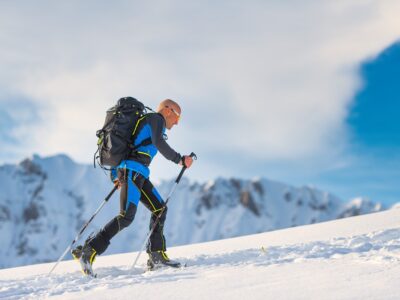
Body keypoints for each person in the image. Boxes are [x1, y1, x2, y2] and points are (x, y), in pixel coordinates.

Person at [72, 99, 194, 275]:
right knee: (126, 216)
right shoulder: (156, 119)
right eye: (177, 117)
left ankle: (156, 256)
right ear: (168, 110)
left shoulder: (151, 122)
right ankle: (89, 250)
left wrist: (116, 174)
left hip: (138, 173)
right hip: (132, 171)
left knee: (160, 209)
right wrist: (180, 159)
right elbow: (159, 143)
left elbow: (130, 146)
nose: (176, 123)